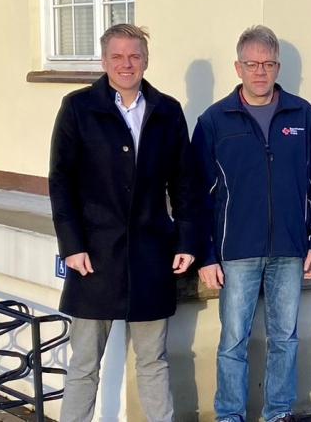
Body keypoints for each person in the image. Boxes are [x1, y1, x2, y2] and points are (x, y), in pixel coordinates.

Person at [48, 23, 197, 422]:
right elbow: (60, 181)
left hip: (151, 254)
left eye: (134, 56)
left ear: (146, 61)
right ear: (103, 61)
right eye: (117, 56)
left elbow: (183, 183)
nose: (126, 64)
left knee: (153, 360)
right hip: (94, 255)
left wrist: (185, 241)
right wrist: (72, 245)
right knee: (83, 365)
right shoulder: (78, 108)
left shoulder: (167, 111)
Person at [191, 25, 311, 422]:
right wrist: (206, 254)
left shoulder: (304, 116)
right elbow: (195, 194)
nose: (260, 72)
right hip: (235, 251)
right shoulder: (215, 121)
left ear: (278, 67)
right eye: (252, 64)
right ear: (237, 67)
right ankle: (230, 415)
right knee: (233, 341)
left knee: (284, 339)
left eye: (268, 64)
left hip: (290, 250)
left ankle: (278, 413)